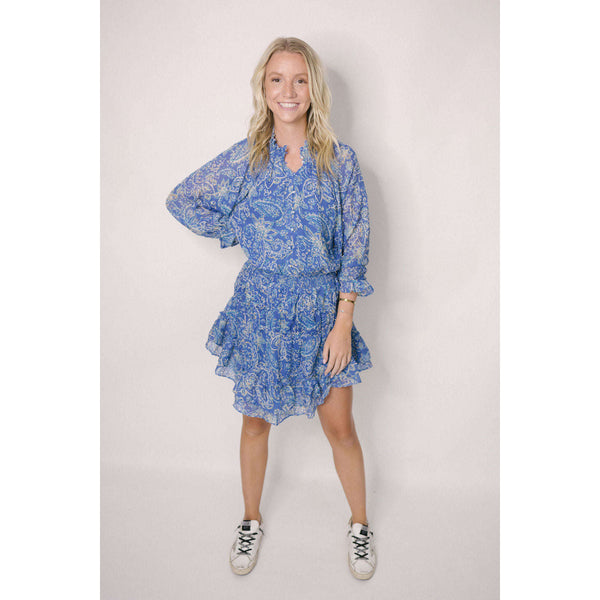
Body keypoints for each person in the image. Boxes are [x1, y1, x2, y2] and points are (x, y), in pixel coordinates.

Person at [165, 36, 377, 580]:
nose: (289, 90)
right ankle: (251, 520)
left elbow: (356, 246)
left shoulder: (341, 162)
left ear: (314, 89)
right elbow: (182, 198)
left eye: (300, 80)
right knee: (255, 424)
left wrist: (344, 321)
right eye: (277, 79)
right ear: (264, 88)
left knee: (341, 427)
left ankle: (359, 525)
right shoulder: (247, 159)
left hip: (323, 312)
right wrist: (239, 228)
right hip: (261, 309)